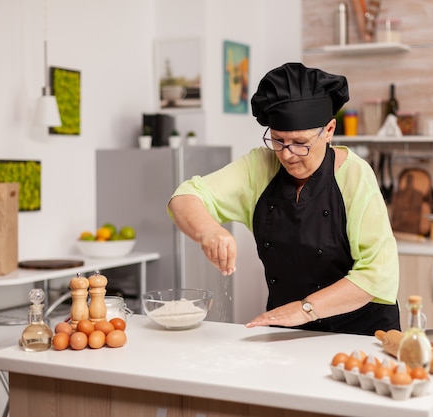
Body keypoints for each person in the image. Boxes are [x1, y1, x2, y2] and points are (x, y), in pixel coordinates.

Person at [167, 62, 400, 335]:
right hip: (289, 332)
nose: (287, 154)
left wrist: (304, 309)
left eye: (300, 143)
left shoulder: (356, 176)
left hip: (360, 335)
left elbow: (377, 274)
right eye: (278, 141)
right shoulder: (259, 167)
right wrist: (208, 231)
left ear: (329, 130)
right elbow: (184, 197)